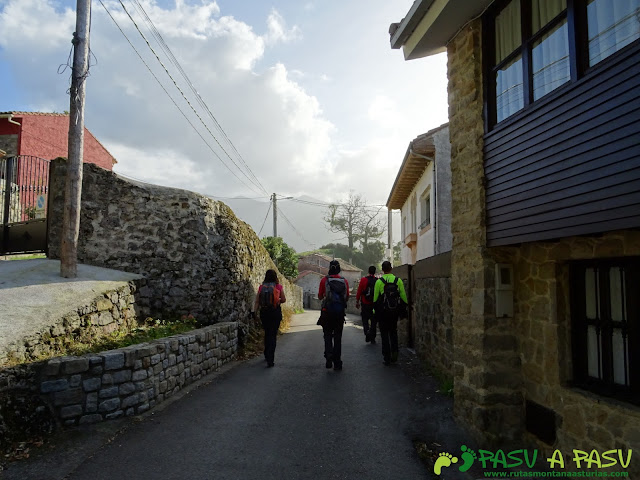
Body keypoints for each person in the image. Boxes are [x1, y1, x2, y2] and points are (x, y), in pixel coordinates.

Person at [373, 261, 408, 366]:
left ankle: (386, 357)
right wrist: (403, 310)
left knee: (384, 335)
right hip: (394, 312)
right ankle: (395, 353)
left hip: (383, 312)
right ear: (391, 268)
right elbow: (403, 298)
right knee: (393, 332)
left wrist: (375, 312)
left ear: (383, 270)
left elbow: (375, 299)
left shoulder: (379, 282)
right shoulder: (398, 281)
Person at [317, 260, 349, 371]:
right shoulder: (344, 281)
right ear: (339, 269)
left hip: (327, 312)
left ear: (329, 268)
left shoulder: (324, 280)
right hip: (339, 313)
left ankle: (329, 357)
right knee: (338, 337)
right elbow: (347, 297)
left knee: (327, 335)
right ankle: (337, 362)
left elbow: (320, 296)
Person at [253, 269, 286, 367]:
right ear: (275, 276)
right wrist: (278, 300)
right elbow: (284, 299)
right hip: (275, 312)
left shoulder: (261, 287)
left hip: (264, 313)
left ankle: (266, 353)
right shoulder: (278, 286)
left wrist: (254, 312)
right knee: (273, 334)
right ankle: (270, 358)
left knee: (267, 333)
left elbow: (257, 301)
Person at [356, 266, 378, 344]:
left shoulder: (363, 280)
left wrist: (357, 301)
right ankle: (373, 338)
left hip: (365, 303)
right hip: (374, 305)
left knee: (365, 319)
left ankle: (367, 332)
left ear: (368, 271)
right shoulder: (377, 281)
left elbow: (359, 291)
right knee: (373, 321)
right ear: (375, 272)